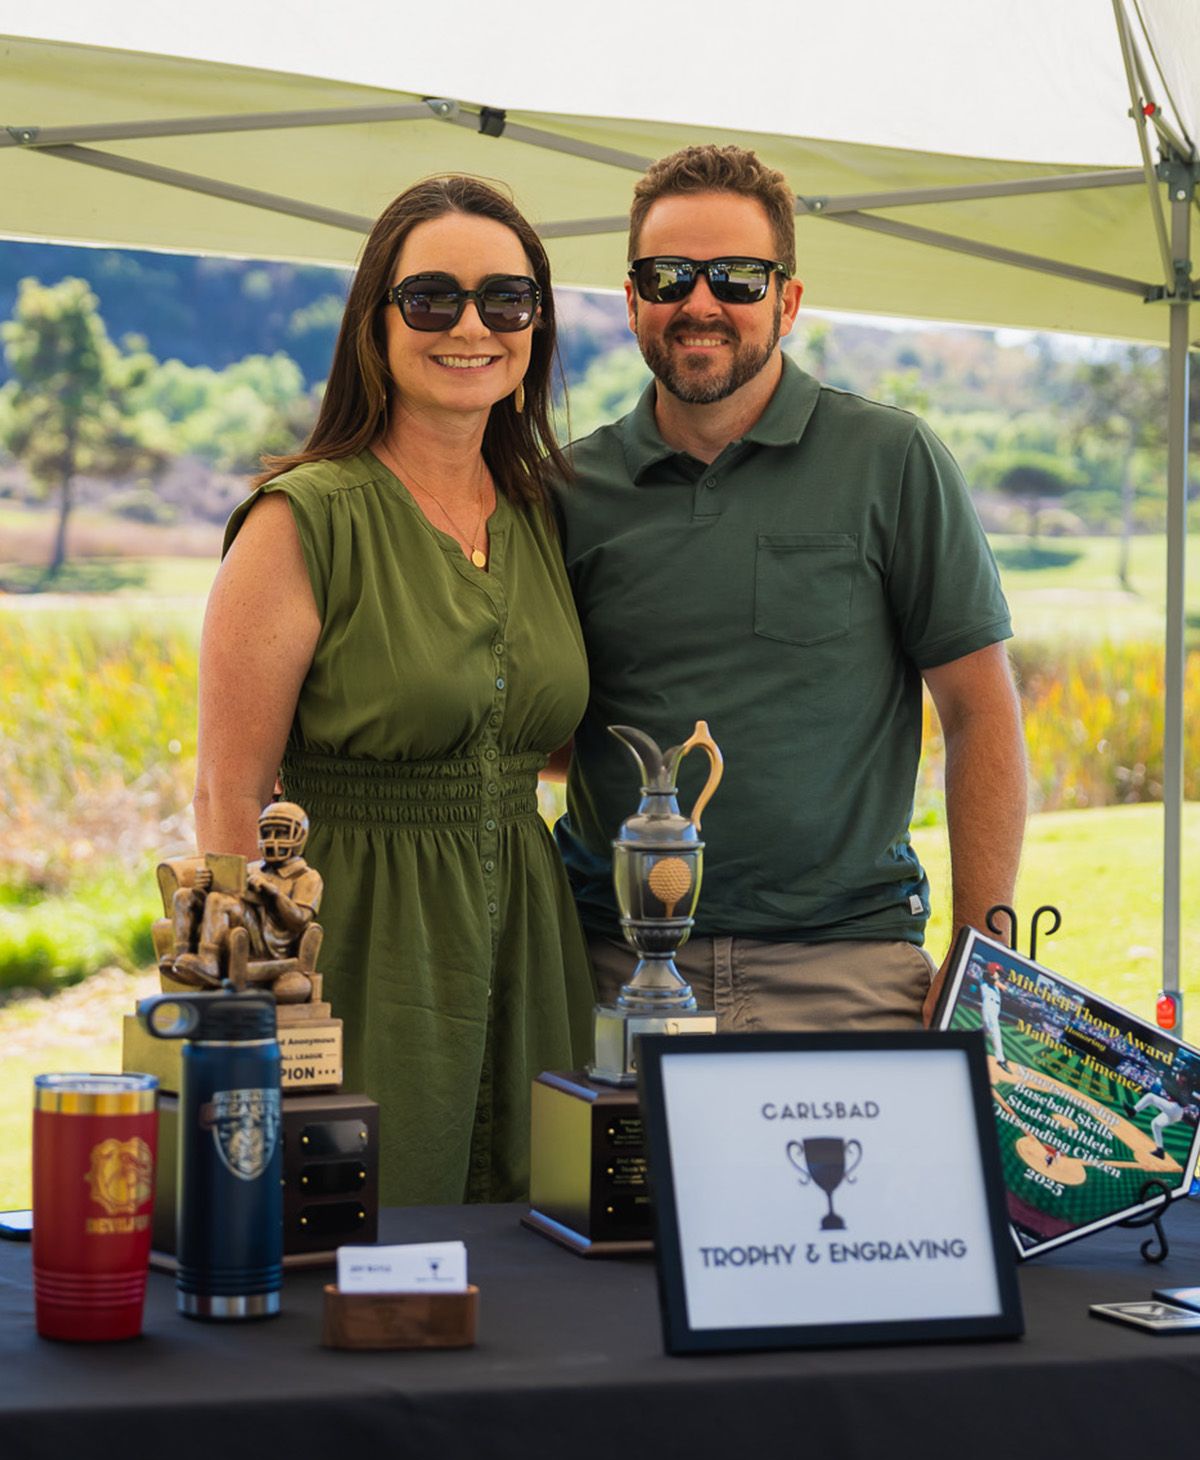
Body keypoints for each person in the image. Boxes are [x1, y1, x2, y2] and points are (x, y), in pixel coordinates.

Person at [554, 144, 1027, 1031]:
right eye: (669, 276)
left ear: (789, 300)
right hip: (611, 972)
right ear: (631, 302)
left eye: (737, 276)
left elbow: (980, 710)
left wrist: (981, 952)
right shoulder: (567, 489)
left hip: (848, 973)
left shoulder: (891, 460)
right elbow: (544, 734)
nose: (701, 302)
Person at [193, 176, 594, 1204]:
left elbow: (523, 728)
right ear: (376, 323)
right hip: (360, 941)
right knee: (356, 1238)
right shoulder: (301, 520)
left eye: (507, 300)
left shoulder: (544, 516)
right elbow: (228, 796)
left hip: (529, 938)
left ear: (537, 327)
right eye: (432, 299)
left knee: (533, 1263)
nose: (472, 326)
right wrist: (255, 1009)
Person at [167, 800, 323, 988]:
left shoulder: (307, 877)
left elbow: (299, 920)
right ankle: (182, 955)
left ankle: (210, 961)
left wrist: (272, 893)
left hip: (271, 938)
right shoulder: (253, 868)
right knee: (184, 896)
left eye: (281, 832)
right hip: (247, 923)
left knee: (219, 901)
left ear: (299, 835)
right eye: (267, 833)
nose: (273, 839)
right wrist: (203, 889)